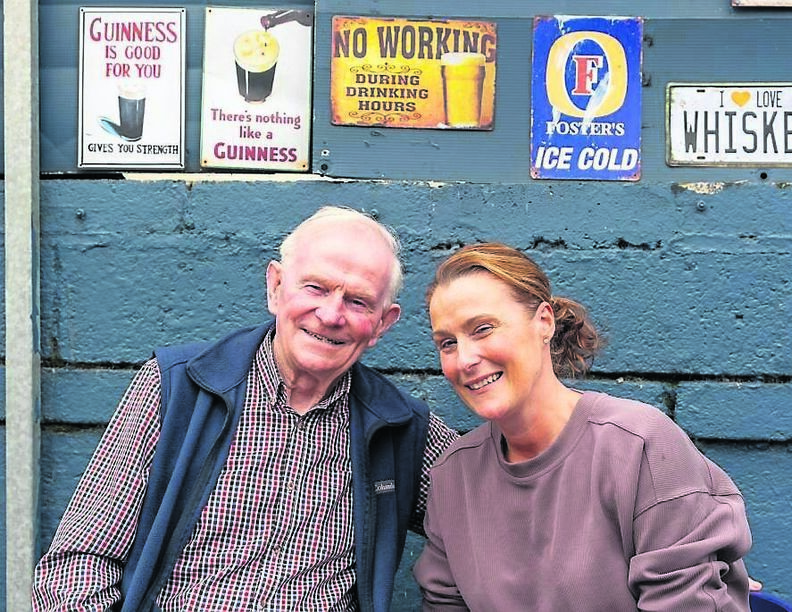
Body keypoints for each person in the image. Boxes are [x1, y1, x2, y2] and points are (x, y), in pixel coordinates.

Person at [32, 206, 459, 612]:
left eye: (358, 302)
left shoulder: (402, 426)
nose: (330, 314)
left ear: (383, 324)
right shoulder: (177, 387)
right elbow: (77, 565)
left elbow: (499, 515)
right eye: (316, 287)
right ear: (275, 287)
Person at [413, 242, 753, 611]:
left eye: (482, 329)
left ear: (543, 322)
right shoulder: (453, 476)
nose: (464, 359)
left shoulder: (640, 446)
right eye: (447, 343)